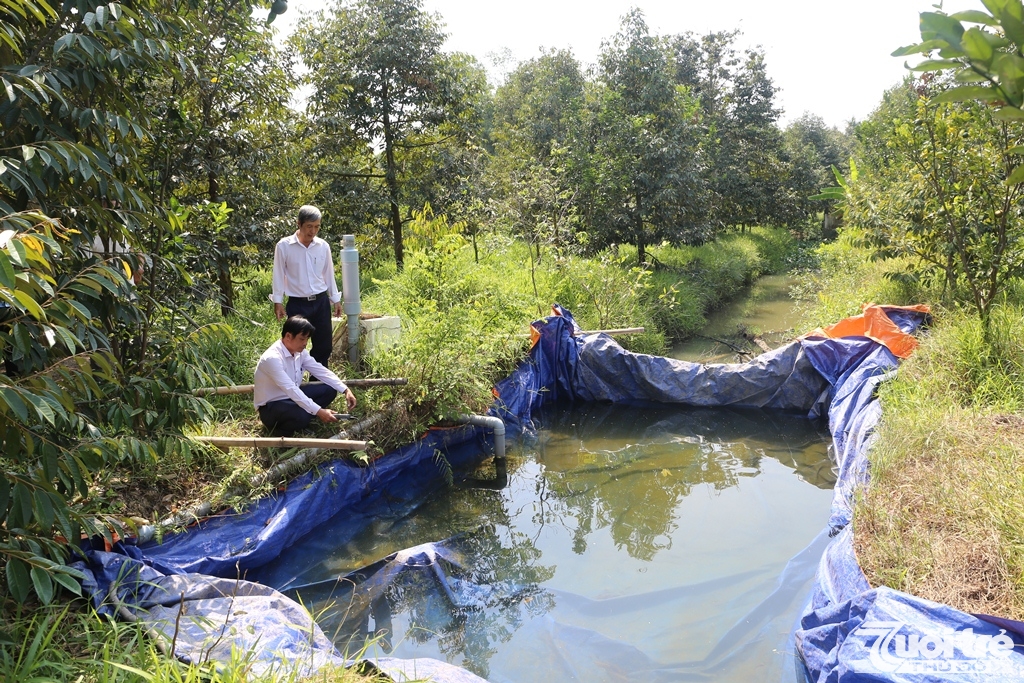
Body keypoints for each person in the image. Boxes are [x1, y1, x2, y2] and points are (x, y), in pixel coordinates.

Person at [254, 316, 357, 437]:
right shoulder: (272, 358)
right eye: (302, 339)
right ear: (288, 336)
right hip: (272, 406)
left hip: (291, 397)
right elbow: (291, 390)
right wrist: (319, 411)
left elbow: (321, 371)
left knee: (330, 390)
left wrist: (345, 389)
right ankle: (283, 429)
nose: (305, 343)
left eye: (307, 339)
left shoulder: (300, 353)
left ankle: (305, 414)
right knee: (301, 416)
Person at [270, 205, 343, 366]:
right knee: (294, 346)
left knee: (324, 346)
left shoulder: (323, 246)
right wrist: (278, 301)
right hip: (298, 304)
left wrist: (335, 299)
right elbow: (278, 275)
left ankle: (318, 386)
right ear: (299, 224)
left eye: (316, 226)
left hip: (321, 302)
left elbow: (328, 274)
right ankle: (293, 383)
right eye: (309, 226)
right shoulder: (284, 246)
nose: (313, 231)